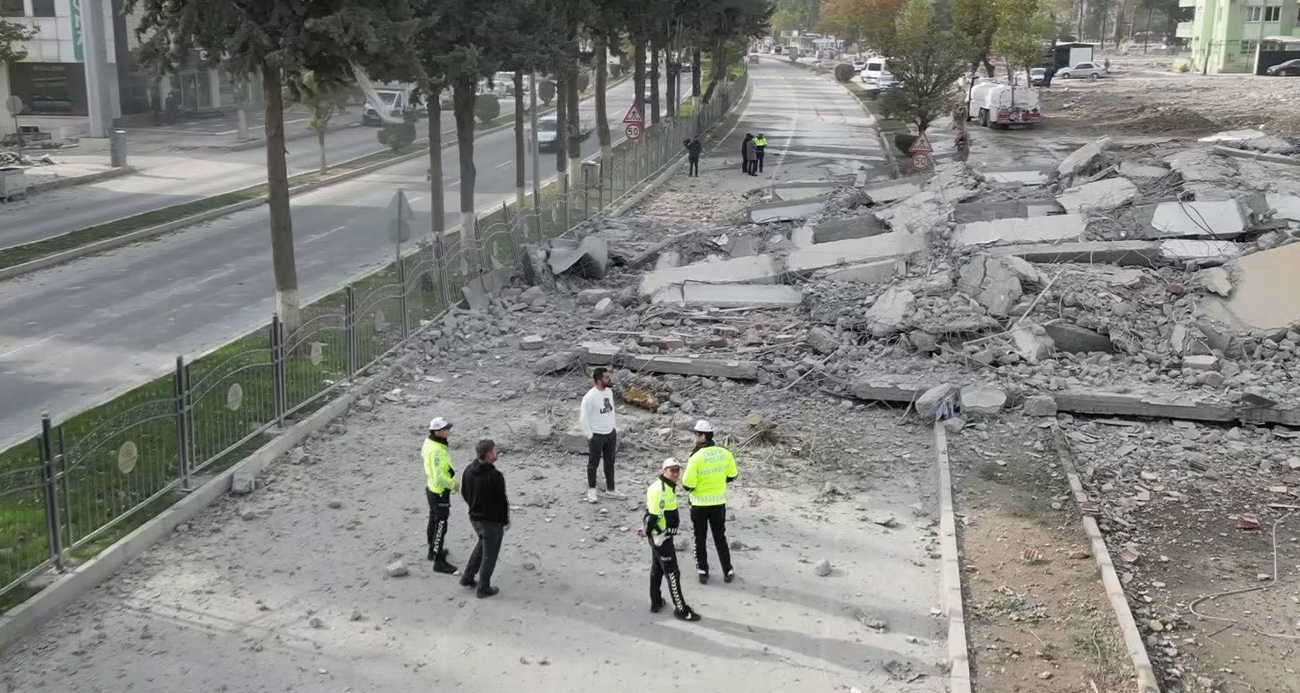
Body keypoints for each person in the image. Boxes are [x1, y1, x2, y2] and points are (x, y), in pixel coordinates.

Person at [640, 458, 701, 621]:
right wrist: (650, 533)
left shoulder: (664, 487)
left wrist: (647, 532)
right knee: (673, 573)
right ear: (663, 470)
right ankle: (681, 609)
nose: (675, 473)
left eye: (677, 470)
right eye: (671, 470)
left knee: (657, 569)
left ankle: (656, 602)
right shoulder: (661, 490)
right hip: (661, 538)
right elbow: (653, 516)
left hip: (660, 536)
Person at [683, 420, 738, 584]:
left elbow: (688, 484)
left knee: (699, 538)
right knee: (720, 537)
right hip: (718, 503)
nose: (693, 437)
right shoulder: (725, 453)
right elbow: (732, 475)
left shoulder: (696, 457)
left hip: (699, 504)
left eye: (695, 434)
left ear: (702, 436)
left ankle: (703, 571)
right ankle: (727, 570)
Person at [459, 439, 509, 599]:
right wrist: (505, 521)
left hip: (474, 518)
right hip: (491, 522)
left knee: (482, 544)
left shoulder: (468, 470)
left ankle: (467, 577)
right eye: (494, 450)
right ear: (488, 454)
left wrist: (474, 508)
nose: (497, 452)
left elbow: (465, 493)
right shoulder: (495, 477)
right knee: (490, 554)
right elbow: (501, 502)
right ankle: (483, 587)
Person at [580, 367, 626, 503]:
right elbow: (583, 417)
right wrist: (589, 435)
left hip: (610, 433)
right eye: (606, 377)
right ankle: (592, 490)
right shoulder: (590, 397)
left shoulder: (609, 392)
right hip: (596, 434)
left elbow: (611, 411)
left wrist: (613, 428)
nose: (609, 379)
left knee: (610, 461)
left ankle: (611, 489)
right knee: (593, 463)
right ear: (599, 380)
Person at [422, 417, 458, 574]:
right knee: (441, 525)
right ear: (437, 432)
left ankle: (433, 550)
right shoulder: (437, 450)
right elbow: (439, 476)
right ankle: (439, 561)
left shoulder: (430, 443)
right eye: (445, 429)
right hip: (440, 492)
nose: (449, 431)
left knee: (433, 520)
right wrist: (453, 484)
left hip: (431, 489)